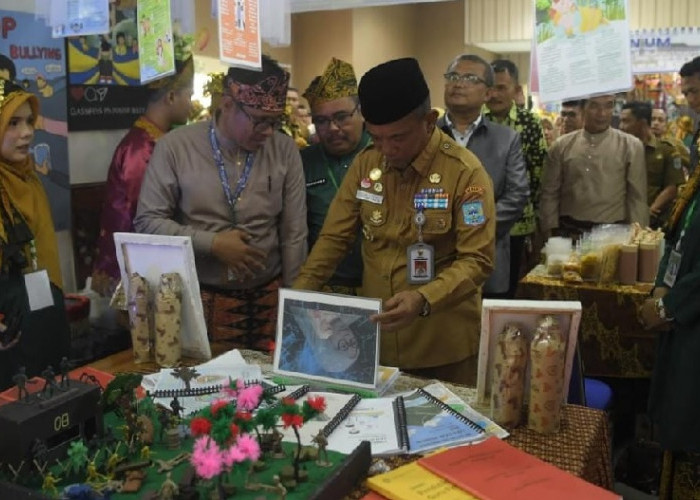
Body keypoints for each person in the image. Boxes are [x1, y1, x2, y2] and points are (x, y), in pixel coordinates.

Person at [294, 58, 496, 386]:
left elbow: (478, 260)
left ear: (429, 121)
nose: (387, 149)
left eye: (398, 137)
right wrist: (298, 299)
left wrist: (424, 298)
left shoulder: (465, 173)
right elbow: (333, 239)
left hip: (442, 347)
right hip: (376, 343)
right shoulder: (366, 165)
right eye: (376, 137)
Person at [135, 55, 307, 351]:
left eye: (275, 121)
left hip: (269, 303)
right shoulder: (175, 148)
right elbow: (148, 222)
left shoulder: (284, 149)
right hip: (199, 302)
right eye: (259, 121)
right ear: (228, 104)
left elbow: (294, 234)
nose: (268, 132)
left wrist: (295, 306)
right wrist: (212, 244)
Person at [641, 54, 700, 500]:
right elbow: (681, 233)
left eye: (696, 92)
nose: (689, 102)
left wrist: (669, 304)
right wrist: (663, 281)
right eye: (688, 93)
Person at [91, 57, 194, 297]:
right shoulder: (141, 149)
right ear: (170, 97)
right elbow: (135, 215)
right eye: (188, 96)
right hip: (138, 268)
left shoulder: (158, 141)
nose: (192, 105)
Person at [437, 54, 528, 298]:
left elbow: (516, 195)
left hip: (486, 258)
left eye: (469, 78)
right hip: (433, 258)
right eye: (453, 77)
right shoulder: (427, 136)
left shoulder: (506, 139)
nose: (458, 83)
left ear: (487, 93)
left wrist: (472, 227)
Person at [0, 79, 70, 390]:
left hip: (42, 318)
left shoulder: (29, 180)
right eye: (12, 123)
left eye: (29, 121)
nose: (27, 132)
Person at [301, 58, 370, 294]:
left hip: (379, 286)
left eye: (341, 117)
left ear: (361, 112)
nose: (332, 128)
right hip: (324, 287)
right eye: (321, 121)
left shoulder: (383, 153)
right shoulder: (304, 162)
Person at [539, 95, 649, 237]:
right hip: (569, 231)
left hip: (613, 235)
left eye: (608, 105)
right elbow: (549, 193)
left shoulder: (631, 146)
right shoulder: (561, 146)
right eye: (594, 106)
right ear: (583, 109)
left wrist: (638, 237)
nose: (602, 113)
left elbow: (637, 198)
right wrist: (549, 234)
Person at [486, 59, 548, 295]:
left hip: (518, 222)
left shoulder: (529, 122)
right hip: (476, 220)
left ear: (515, 90)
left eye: (502, 88)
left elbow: (538, 171)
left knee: (510, 286)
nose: (494, 94)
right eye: (490, 87)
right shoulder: (475, 121)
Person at [619, 101, 684, 229]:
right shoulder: (621, 150)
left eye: (626, 121)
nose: (621, 126)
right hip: (625, 219)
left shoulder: (666, 150)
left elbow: (672, 187)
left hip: (655, 223)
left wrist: (650, 211)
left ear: (642, 123)